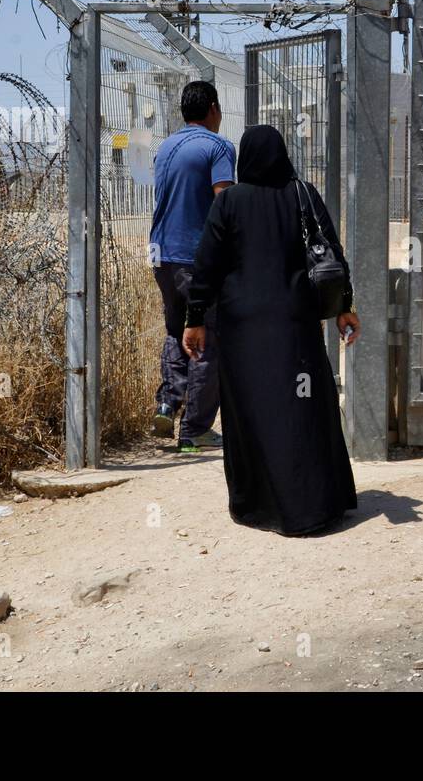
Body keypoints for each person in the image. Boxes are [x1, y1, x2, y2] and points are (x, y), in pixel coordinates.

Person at [181, 125, 360, 536]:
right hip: (295, 323)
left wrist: (194, 320)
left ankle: (258, 503)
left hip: (243, 329)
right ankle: (316, 505)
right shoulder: (302, 194)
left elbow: (206, 266)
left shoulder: (228, 203)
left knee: (252, 412)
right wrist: (344, 308)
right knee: (302, 409)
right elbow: (331, 253)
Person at [149, 80, 234, 452]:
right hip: (195, 257)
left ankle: (168, 403)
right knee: (206, 339)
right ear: (213, 109)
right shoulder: (218, 147)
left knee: (175, 330)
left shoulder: (166, 146)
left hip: (161, 255)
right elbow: (224, 205)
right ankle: (195, 430)